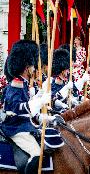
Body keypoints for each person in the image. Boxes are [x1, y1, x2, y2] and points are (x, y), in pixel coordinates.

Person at [0, 40, 52, 174]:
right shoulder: (15, 84)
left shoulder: (22, 83)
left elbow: (29, 110)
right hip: (15, 127)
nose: (34, 69)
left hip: (23, 124)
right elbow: (17, 108)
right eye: (32, 66)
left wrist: (42, 111)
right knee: (36, 153)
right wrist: (39, 102)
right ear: (25, 67)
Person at [49, 49, 90, 113]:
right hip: (58, 112)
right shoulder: (54, 81)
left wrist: (83, 99)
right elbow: (53, 99)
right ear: (62, 69)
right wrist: (66, 89)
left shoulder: (66, 81)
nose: (68, 71)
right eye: (67, 69)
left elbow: (74, 93)